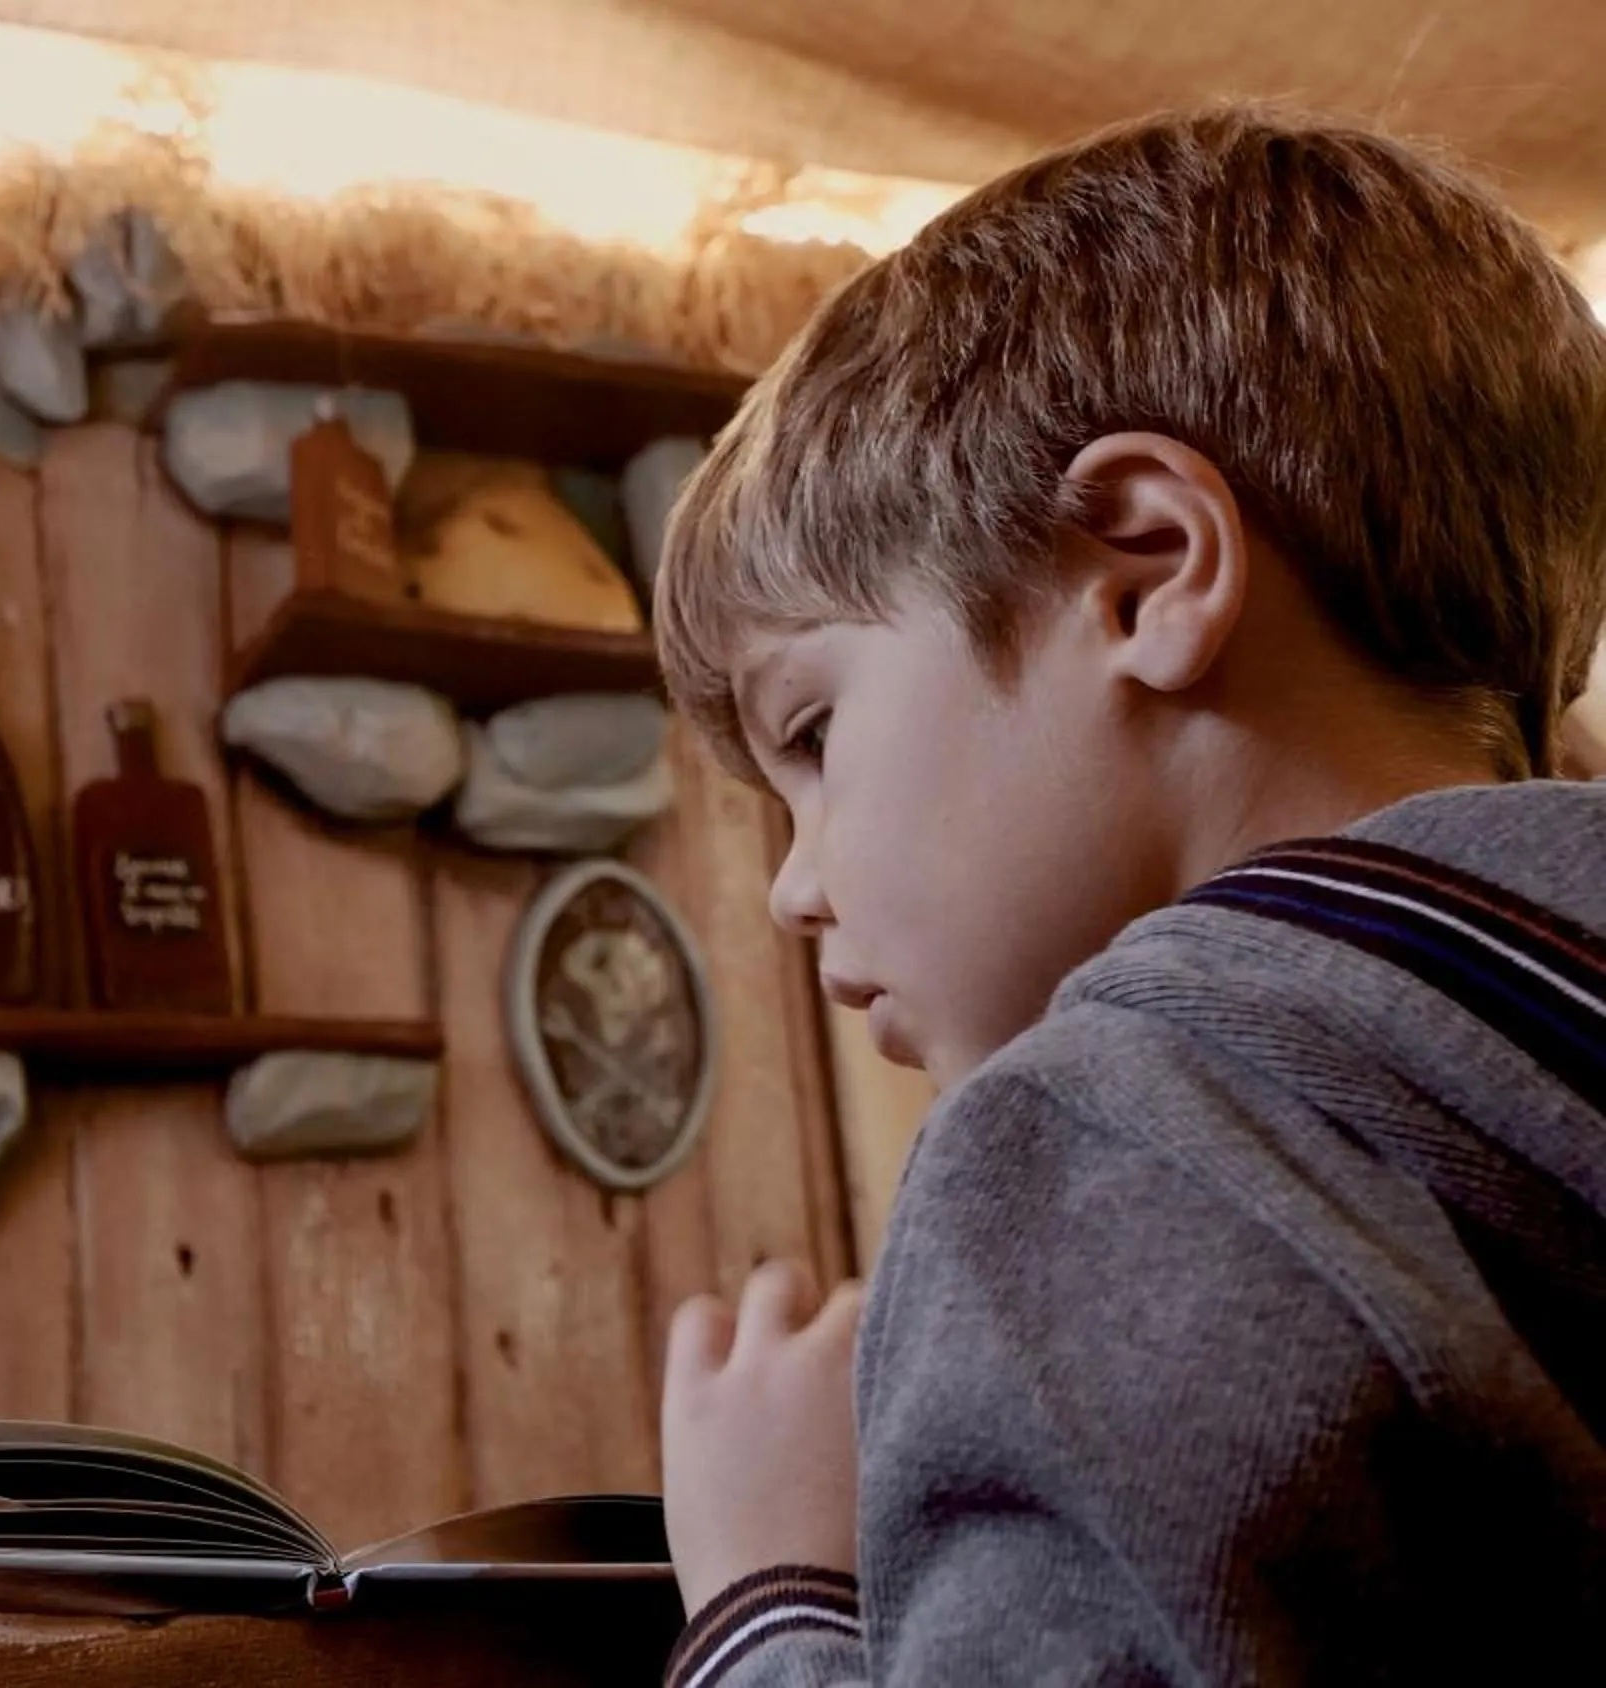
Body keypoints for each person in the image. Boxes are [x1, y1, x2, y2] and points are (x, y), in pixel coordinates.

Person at [647, 105, 1606, 1686]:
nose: (794, 893)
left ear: (1147, 571)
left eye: (816, 735)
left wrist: (771, 1594)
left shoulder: (1106, 1138)